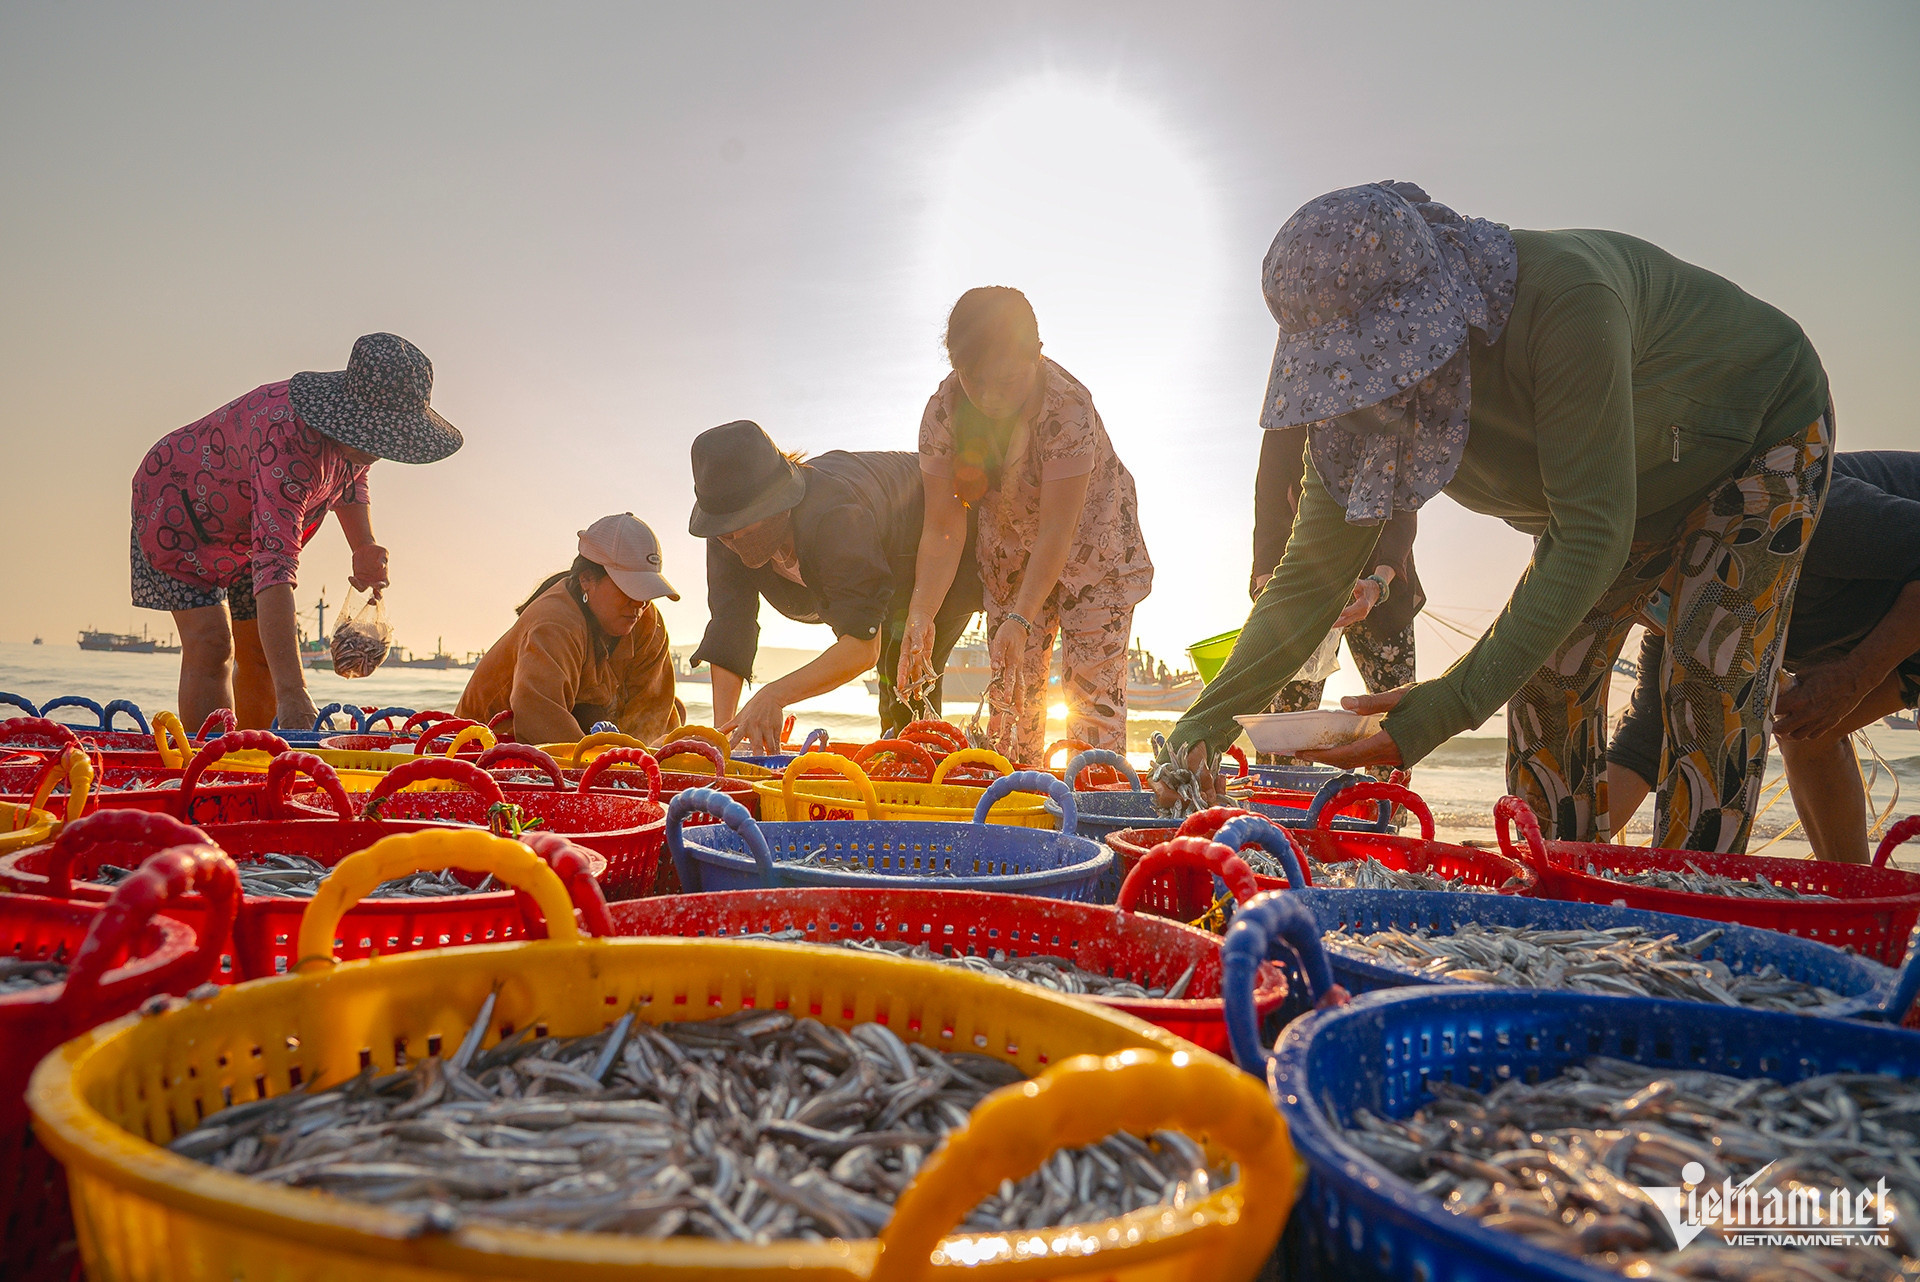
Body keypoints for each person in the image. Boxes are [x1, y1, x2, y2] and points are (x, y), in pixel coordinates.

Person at [1166, 182, 1831, 855]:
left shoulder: (1568, 303)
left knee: (1709, 678)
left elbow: (1591, 534)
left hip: (1754, 436)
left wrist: (1449, 703)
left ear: (1427, 314)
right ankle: (1565, 893)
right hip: (1617, 490)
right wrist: (1202, 731)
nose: (1365, 390)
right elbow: (1311, 575)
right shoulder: (1358, 405)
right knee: (1547, 680)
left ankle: (1695, 905)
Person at [130, 332, 461, 730]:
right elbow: (275, 569)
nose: (377, 449)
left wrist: (364, 544)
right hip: (176, 508)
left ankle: (255, 757)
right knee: (212, 645)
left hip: (245, 530)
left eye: (387, 439)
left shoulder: (353, 437)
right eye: (373, 436)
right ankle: (216, 768)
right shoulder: (286, 446)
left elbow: (351, 475)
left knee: (263, 655)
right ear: (346, 412)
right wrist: (294, 692)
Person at [1607, 451, 1920, 862]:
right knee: (1806, 728)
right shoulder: (1673, 614)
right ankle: (1855, 901)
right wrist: (1550, 850)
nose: (1647, 614)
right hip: (1887, 630)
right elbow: (1641, 747)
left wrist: (1856, 675)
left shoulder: (1789, 511)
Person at [899, 287, 1153, 764]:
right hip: (1011, 557)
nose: (991, 398)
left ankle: (1091, 818)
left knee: (1090, 717)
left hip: (1095, 556)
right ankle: (1016, 819)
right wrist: (921, 614)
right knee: (1012, 711)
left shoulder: (1068, 407)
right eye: (976, 380)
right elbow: (942, 529)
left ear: (1037, 355)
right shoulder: (943, 413)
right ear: (956, 366)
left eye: (1008, 380)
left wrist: (1020, 618)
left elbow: (1059, 530)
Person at [688, 420, 982, 752]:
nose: (735, 539)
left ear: (777, 502)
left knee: (902, 694)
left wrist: (774, 694)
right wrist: (719, 739)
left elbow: (861, 646)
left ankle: (928, 774)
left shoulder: (835, 516)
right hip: (874, 561)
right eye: (726, 532)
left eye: (743, 523)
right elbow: (731, 628)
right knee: (896, 708)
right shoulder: (723, 530)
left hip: (937, 542)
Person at [1249, 423, 1425, 760]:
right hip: (1305, 587)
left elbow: (1404, 508)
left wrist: (1379, 583)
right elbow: (1269, 507)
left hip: (1382, 588)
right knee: (1288, 726)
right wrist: (1264, 588)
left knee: (1394, 724)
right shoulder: (1286, 419)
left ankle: (1385, 811)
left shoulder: (1385, 409)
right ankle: (1282, 810)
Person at [457, 514, 684, 745]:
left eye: (646, 591)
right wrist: (606, 767)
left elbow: (653, 715)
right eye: (630, 589)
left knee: (675, 710)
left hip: (583, 730)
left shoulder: (648, 622)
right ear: (587, 579)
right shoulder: (553, 623)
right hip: (483, 746)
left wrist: (642, 761)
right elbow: (539, 720)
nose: (640, 603)